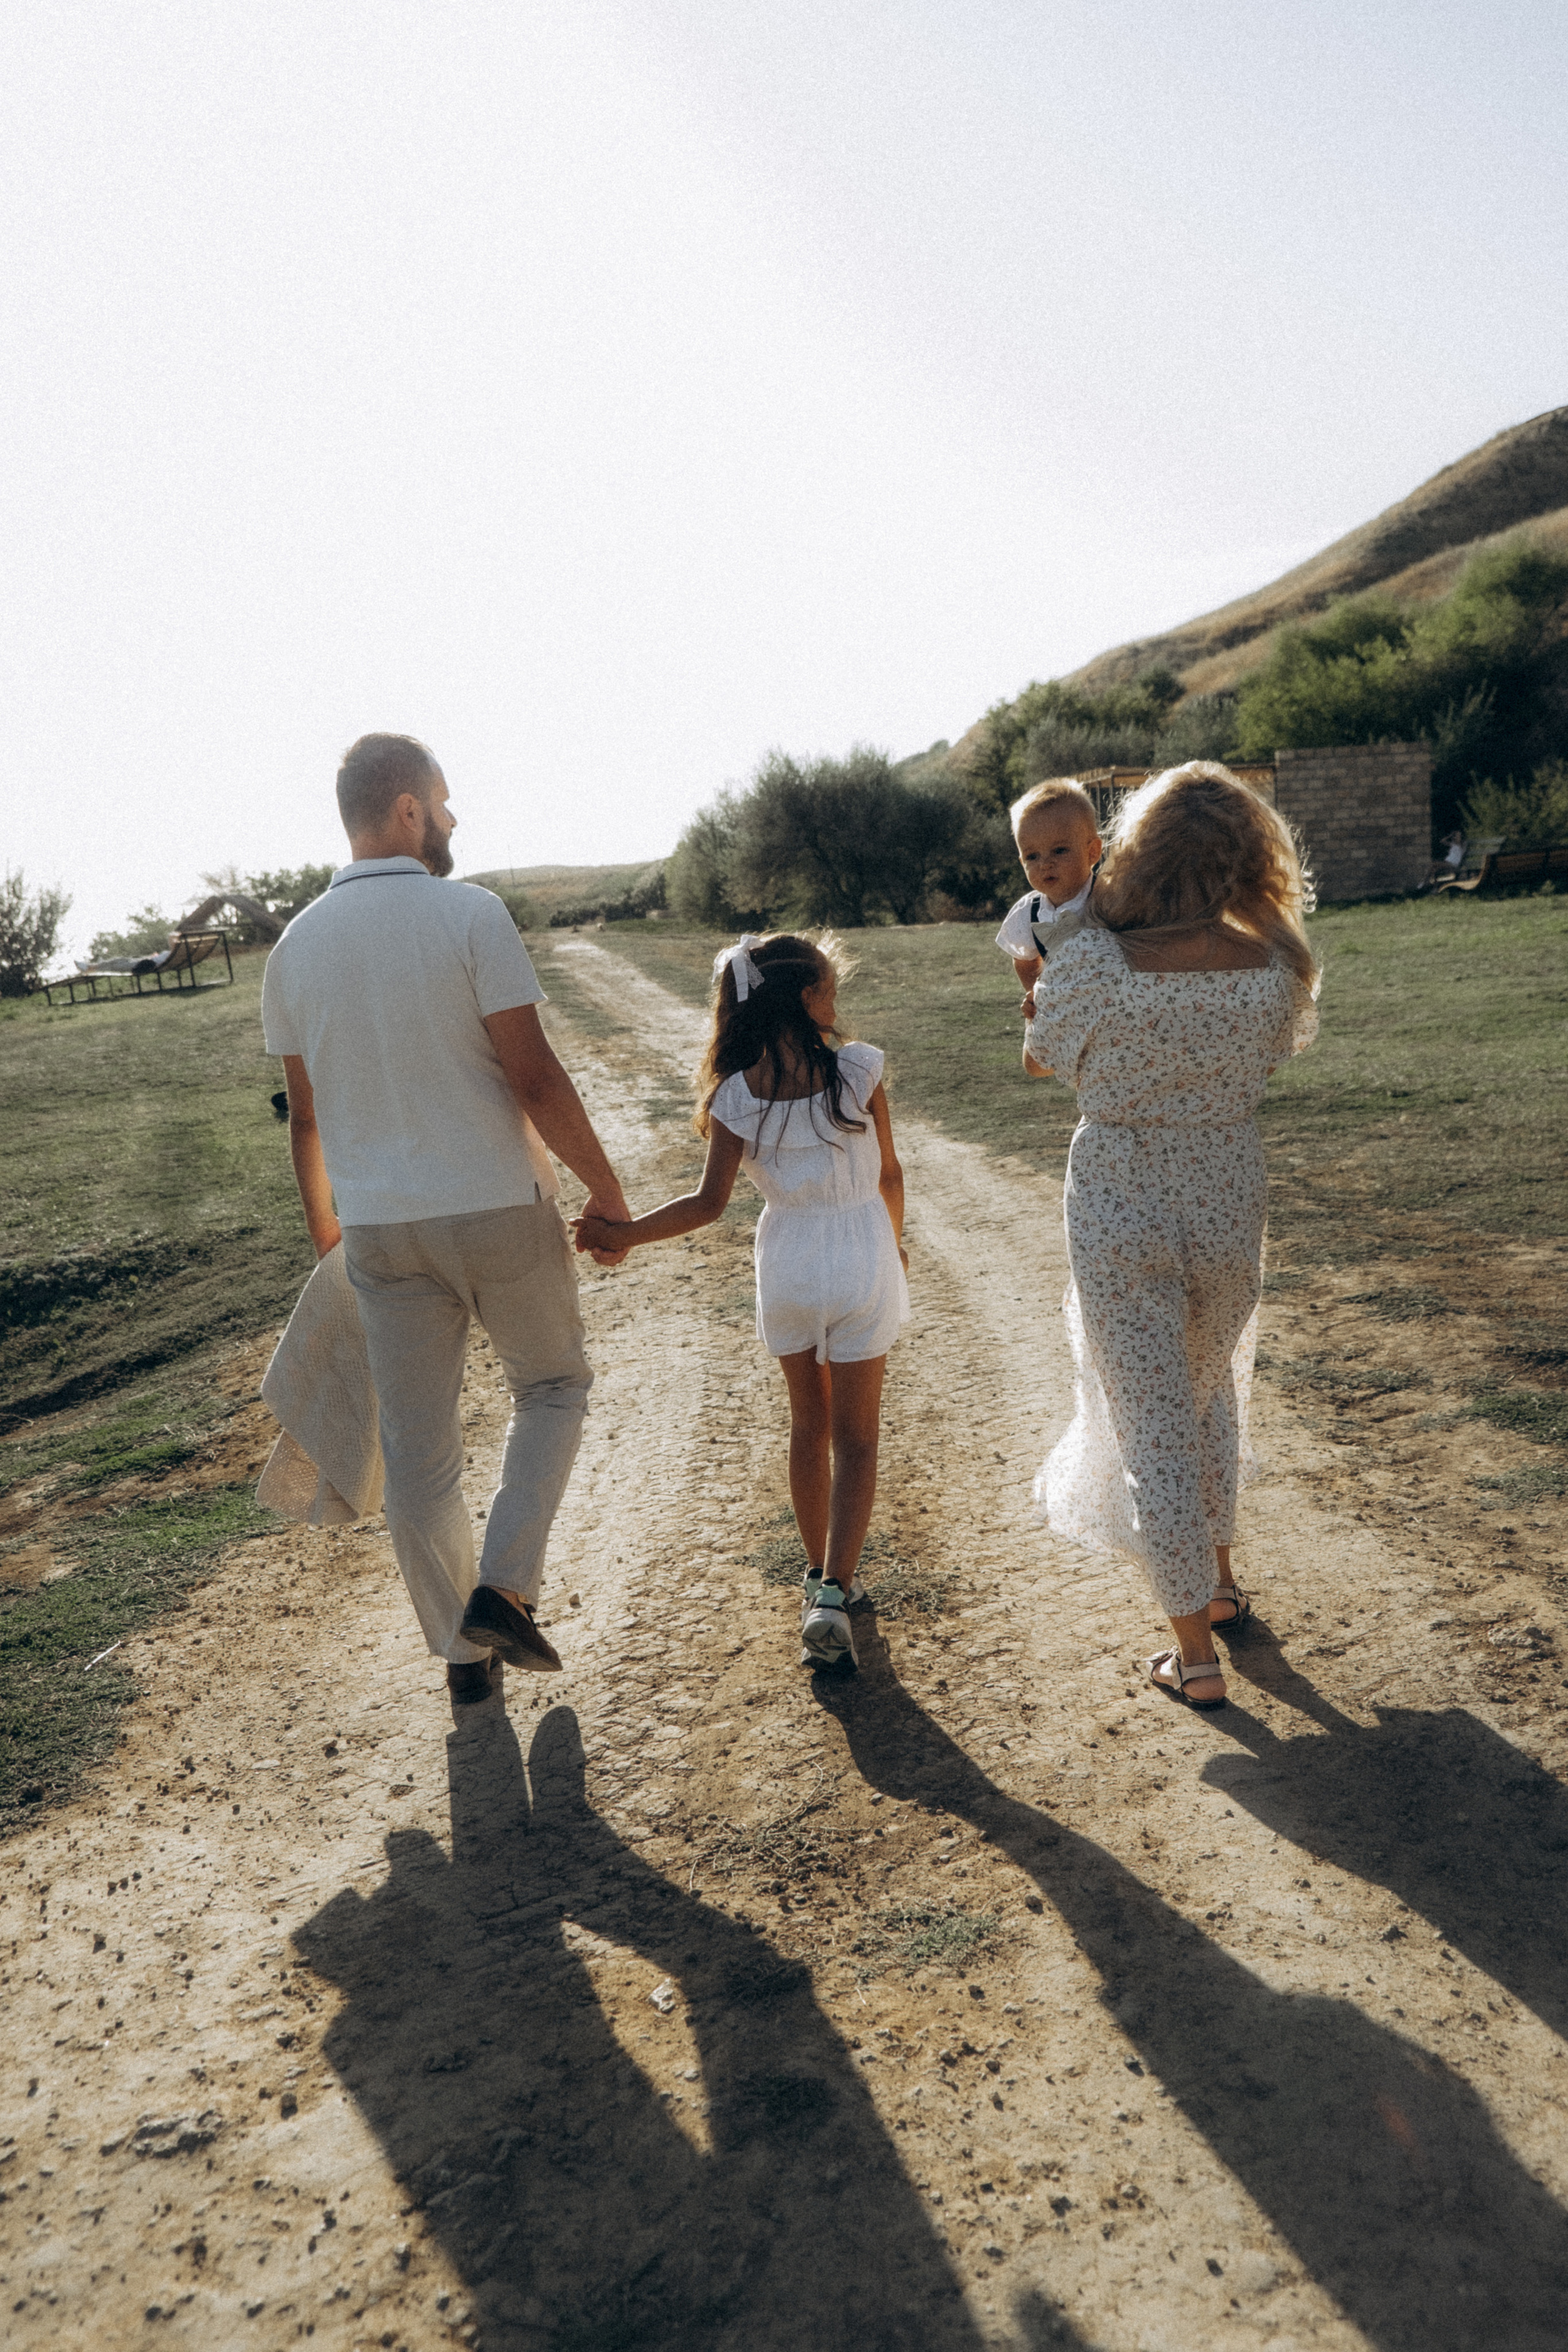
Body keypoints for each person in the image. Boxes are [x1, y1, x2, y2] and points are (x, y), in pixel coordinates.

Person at [260, 733, 631, 1705]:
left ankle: (464, 1658)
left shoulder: (294, 948)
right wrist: (607, 1189)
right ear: (408, 810)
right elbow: (534, 1076)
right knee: (552, 1385)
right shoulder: (470, 913)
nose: (453, 818)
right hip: (498, 1204)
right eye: (444, 800)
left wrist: (328, 1232)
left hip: (381, 1230)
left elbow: (307, 1117)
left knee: (418, 1455)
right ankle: (503, 1588)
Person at [1024, 762, 1320, 1709]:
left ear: (1137, 850)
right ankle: (1220, 1585)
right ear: (1252, 856)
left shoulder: (1094, 963)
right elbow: (1275, 1055)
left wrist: (1042, 993)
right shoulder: (1274, 969)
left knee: (1150, 1417)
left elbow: (1041, 1060)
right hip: (1227, 1192)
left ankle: (1194, 1658)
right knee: (1210, 1384)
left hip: (1121, 1195)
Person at [574, 933, 908, 1672]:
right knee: (857, 1438)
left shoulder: (735, 1095)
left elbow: (706, 1204)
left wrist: (622, 1235)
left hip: (787, 1262)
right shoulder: (858, 1070)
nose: (836, 1003)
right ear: (805, 999)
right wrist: (894, 1245)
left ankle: (816, 1579)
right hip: (861, 1254)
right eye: (829, 990)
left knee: (807, 1424)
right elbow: (889, 1174)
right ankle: (837, 1591)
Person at [994, 780, 1104, 1022]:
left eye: (1059, 850)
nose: (1045, 864)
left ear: (1092, 852)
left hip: (1107, 1008)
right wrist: (1036, 992)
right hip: (1061, 1014)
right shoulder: (1029, 911)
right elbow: (1024, 959)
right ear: (1022, 862)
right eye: (1032, 856)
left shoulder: (1109, 898)